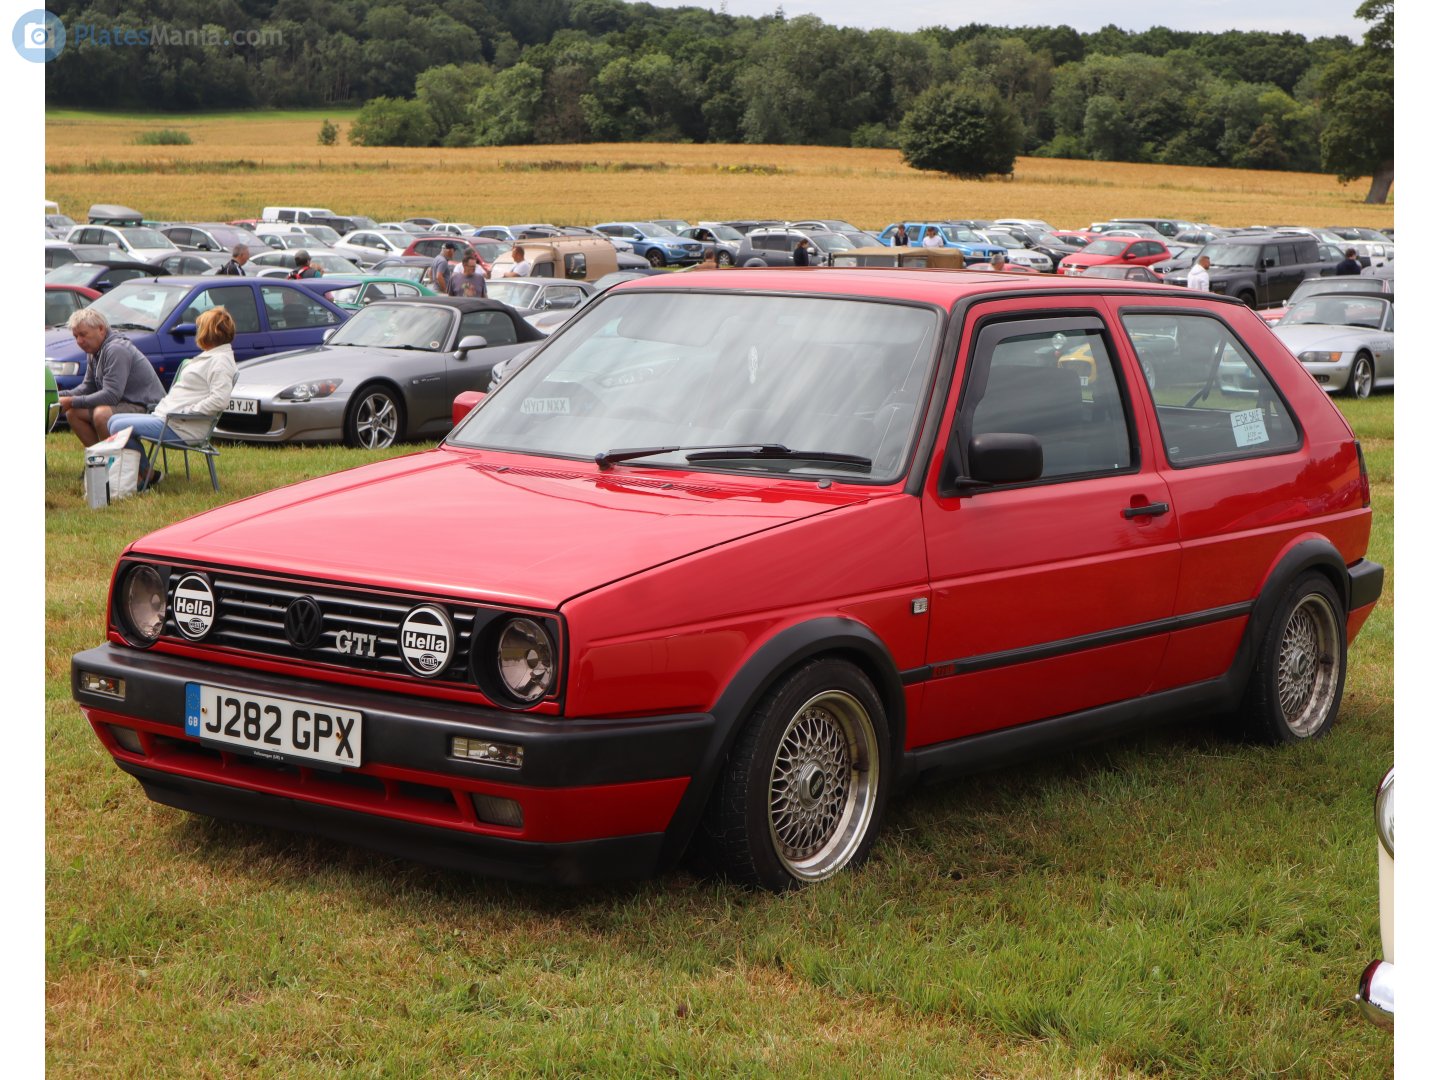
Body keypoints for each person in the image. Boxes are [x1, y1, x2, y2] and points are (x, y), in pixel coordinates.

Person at [109, 307, 239, 488]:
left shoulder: (220, 361)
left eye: (199, 328)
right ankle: (140, 474)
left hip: (182, 427)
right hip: (169, 419)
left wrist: (186, 412)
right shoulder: (213, 356)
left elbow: (220, 400)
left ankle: (146, 476)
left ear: (208, 332)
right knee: (113, 420)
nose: (197, 332)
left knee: (118, 425)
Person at [58, 308, 164, 447]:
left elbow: (111, 395)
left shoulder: (116, 349)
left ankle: (133, 467)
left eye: (83, 334)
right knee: (73, 413)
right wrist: (56, 396)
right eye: (76, 336)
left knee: (102, 414)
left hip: (149, 407)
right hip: (125, 403)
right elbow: (88, 387)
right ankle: (99, 459)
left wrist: (71, 401)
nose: (79, 341)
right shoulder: (94, 351)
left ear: (101, 329)